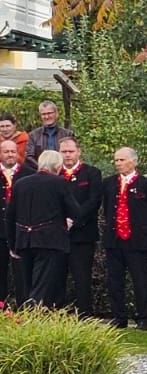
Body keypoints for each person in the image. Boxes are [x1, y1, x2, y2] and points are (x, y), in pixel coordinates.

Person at [6, 150, 81, 307]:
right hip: (49, 241)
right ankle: (34, 318)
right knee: (42, 285)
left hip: (24, 241)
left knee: (28, 284)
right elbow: (75, 211)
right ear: (58, 165)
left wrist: (13, 245)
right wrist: (66, 219)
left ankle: (29, 316)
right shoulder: (59, 182)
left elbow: (11, 216)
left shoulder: (21, 183)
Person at [101, 147, 147, 329]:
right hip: (114, 239)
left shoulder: (146, 184)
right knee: (114, 279)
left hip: (137, 240)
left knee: (140, 279)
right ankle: (119, 317)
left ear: (134, 162)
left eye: (122, 160)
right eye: (116, 160)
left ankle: (142, 318)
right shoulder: (109, 183)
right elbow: (106, 208)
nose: (118, 163)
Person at [57, 136, 102, 317]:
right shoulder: (55, 174)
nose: (67, 155)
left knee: (82, 277)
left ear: (79, 152)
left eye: (70, 151)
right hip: (57, 235)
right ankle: (56, 314)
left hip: (82, 235)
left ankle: (85, 315)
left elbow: (94, 201)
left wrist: (73, 220)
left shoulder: (92, 173)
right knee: (56, 277)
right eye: (64, 152)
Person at [0, 139, 30, 302]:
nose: (10, 154)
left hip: (21, 231)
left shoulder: (28, 173)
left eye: (13, 151)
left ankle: (24, 308)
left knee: (23, 273)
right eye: (6, 151)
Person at [25, 101, 64, 167]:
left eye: (49, 113)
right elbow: (29, 156)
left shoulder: (67, 134)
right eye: (43, 114)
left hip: (62, 172)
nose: (46, 116)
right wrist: (42, 168)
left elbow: (71, 154)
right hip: (40, 171)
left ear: (56, 114)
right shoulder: (33, 135)